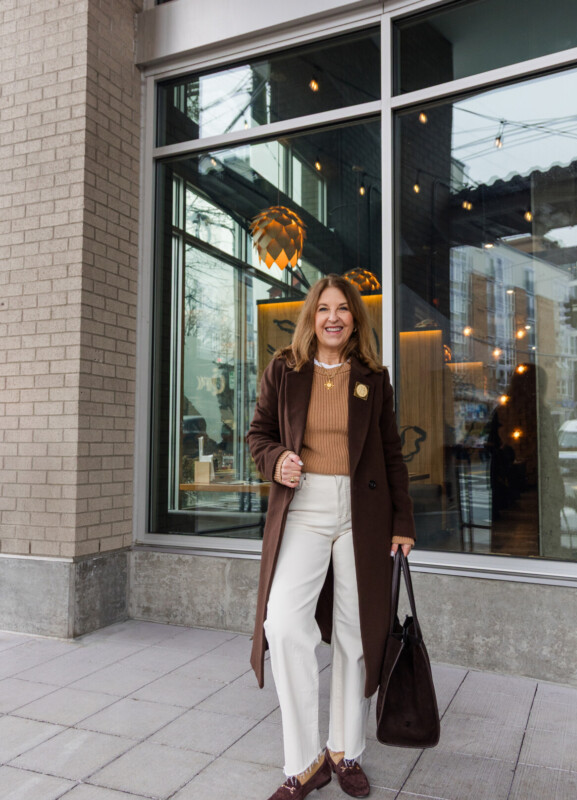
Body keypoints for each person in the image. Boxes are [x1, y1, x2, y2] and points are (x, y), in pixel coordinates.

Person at [247, 274, 415, 800]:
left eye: (343, 309)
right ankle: (305, 762)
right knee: (285, 624)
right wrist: (278, 461)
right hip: (304, 507)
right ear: (311, 317)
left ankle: (346, 751)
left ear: (355, 320)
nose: (333, 317)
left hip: (362, 512)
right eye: (324, 309)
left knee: (354, 631)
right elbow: (258, 435)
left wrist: (402, 522)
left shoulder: (373, 378)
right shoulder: (285, 370)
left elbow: (391, 455)